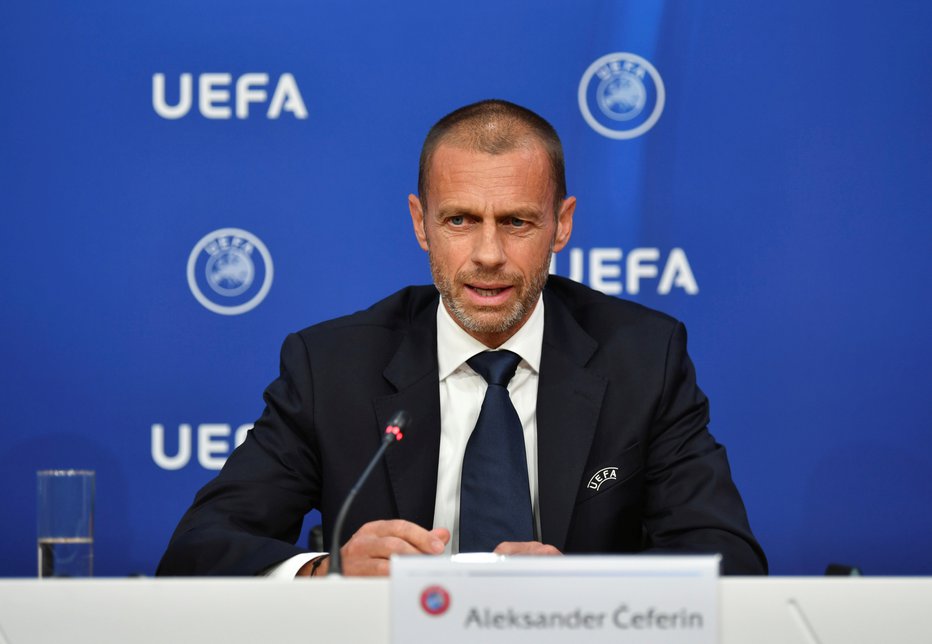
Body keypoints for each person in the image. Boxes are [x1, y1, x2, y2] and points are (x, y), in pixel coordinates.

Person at [157, 99, 767, 578]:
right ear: (421, 224)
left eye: (517, 221)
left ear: (563, 224)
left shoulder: (643, 357)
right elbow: (196, 552)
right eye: (460, 220)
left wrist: (586, 585)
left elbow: (728, 562)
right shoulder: (331, 367)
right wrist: (327, 572)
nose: (488, 255)